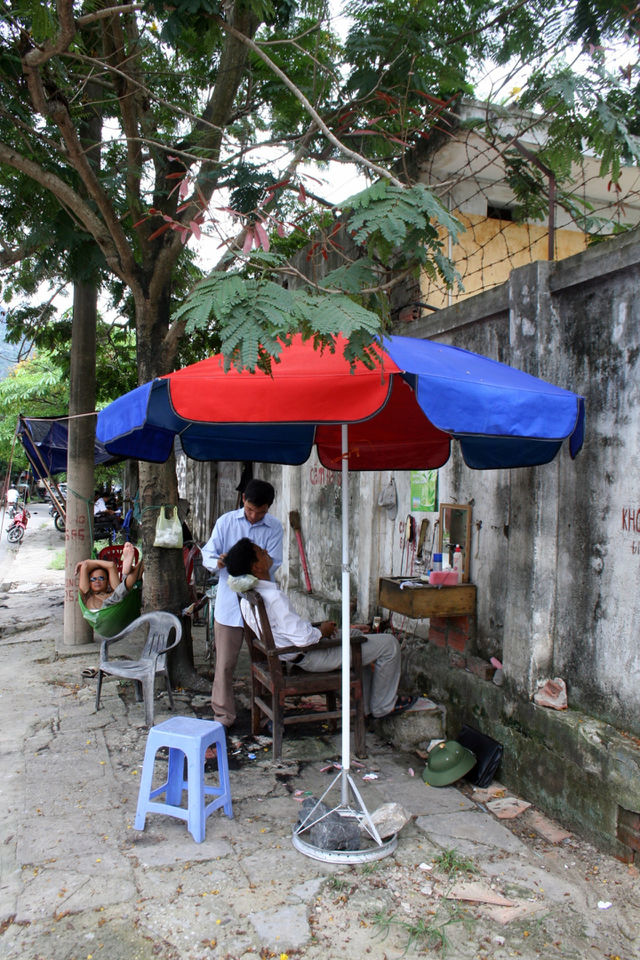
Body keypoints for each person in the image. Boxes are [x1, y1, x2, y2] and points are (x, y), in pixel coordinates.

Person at [224, 537, 417, 720]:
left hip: (291, 653)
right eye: (260, 551)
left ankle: (365, 707)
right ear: (256, 567)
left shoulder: (247, 597)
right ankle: (382, 707)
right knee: (390, 645)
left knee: (357, 635)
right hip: (310, 656)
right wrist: (321, 631)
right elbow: (304, 639)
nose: (266, 551)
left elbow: (287, 631)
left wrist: (317, 629)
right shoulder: (273, 599)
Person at [201, 479, 283, 730]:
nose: (254, 516)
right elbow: (208, 553)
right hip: (230, 604)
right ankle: (223, 716)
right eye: (250, 510)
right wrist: (219, 562)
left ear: (269, 507)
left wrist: (251, 569)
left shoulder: (275, 527)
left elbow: (273, 563)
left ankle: (270, 714)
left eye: (261, 512)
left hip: (260, 602)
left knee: (269, 661)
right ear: (243, 499)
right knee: (225, 664)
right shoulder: (226, 522)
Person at [76, 542, 144, 611]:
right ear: (89, 583)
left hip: (118, 603)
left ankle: (139, 563)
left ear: (108, 582)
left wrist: (89, 562)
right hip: (105, 609)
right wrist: (87, 562)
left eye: (101, 578)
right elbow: (85, 566)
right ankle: (131, 569)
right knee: (122, 591)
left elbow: (111, 565)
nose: (97, 581)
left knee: (124, 591)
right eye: (93, 579)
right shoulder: (86, 595)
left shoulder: (112, 592)